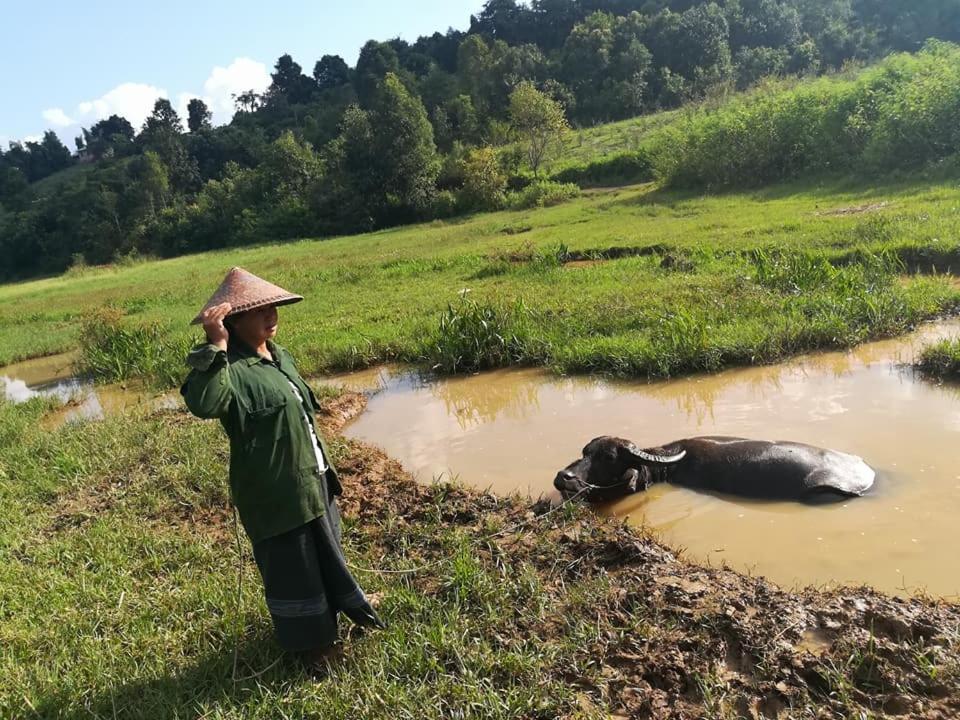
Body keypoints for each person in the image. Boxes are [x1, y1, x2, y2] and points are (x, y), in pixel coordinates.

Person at [180, 267, 382, 664]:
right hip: (275, 491)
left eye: (273, 307)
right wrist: (215, 345)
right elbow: (203, 404)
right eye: (259, 311)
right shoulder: (229, 370)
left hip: (313, 477)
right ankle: (313, 649)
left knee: (327, 551)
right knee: (295, 568)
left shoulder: (278, 356)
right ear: (233, 322)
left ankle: (340, 612)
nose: (271, 315)